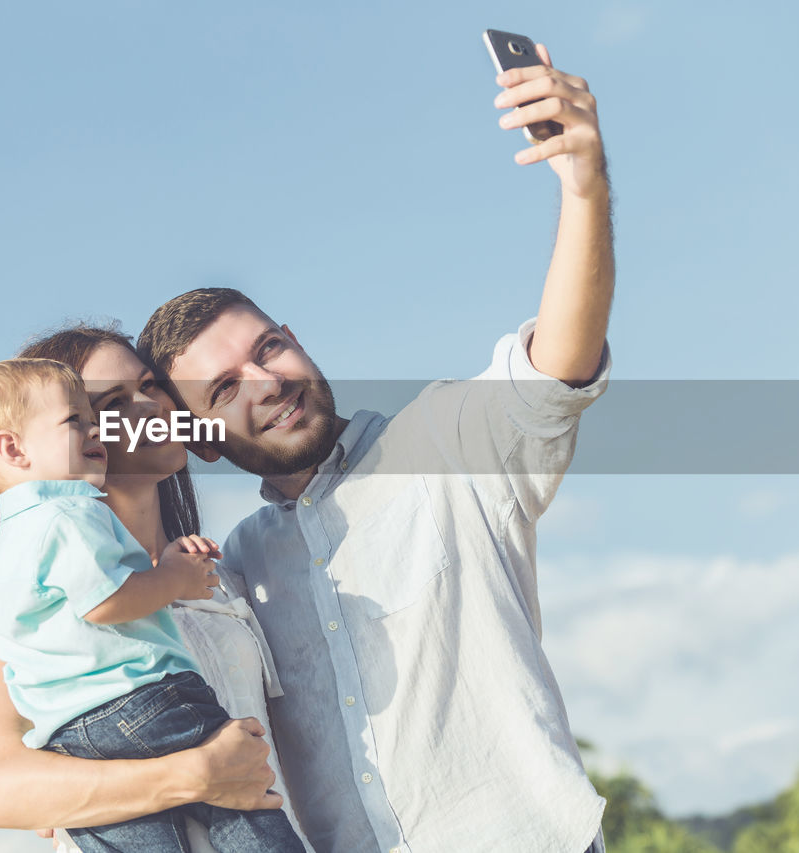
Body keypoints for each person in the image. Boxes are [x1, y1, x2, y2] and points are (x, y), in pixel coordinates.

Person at [131, 46, 615, 853]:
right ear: (201, 441)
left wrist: (585, 186)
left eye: (271, 347)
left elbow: (558, 364)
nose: (266, 381)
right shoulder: (231, 576)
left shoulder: (445, 439)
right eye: (224, 389)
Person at [0, 328, 314, 852]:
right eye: (110, 403)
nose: (149, 407)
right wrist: (195, 773)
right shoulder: (17, 597)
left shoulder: (232, 575)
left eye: (149, 386)